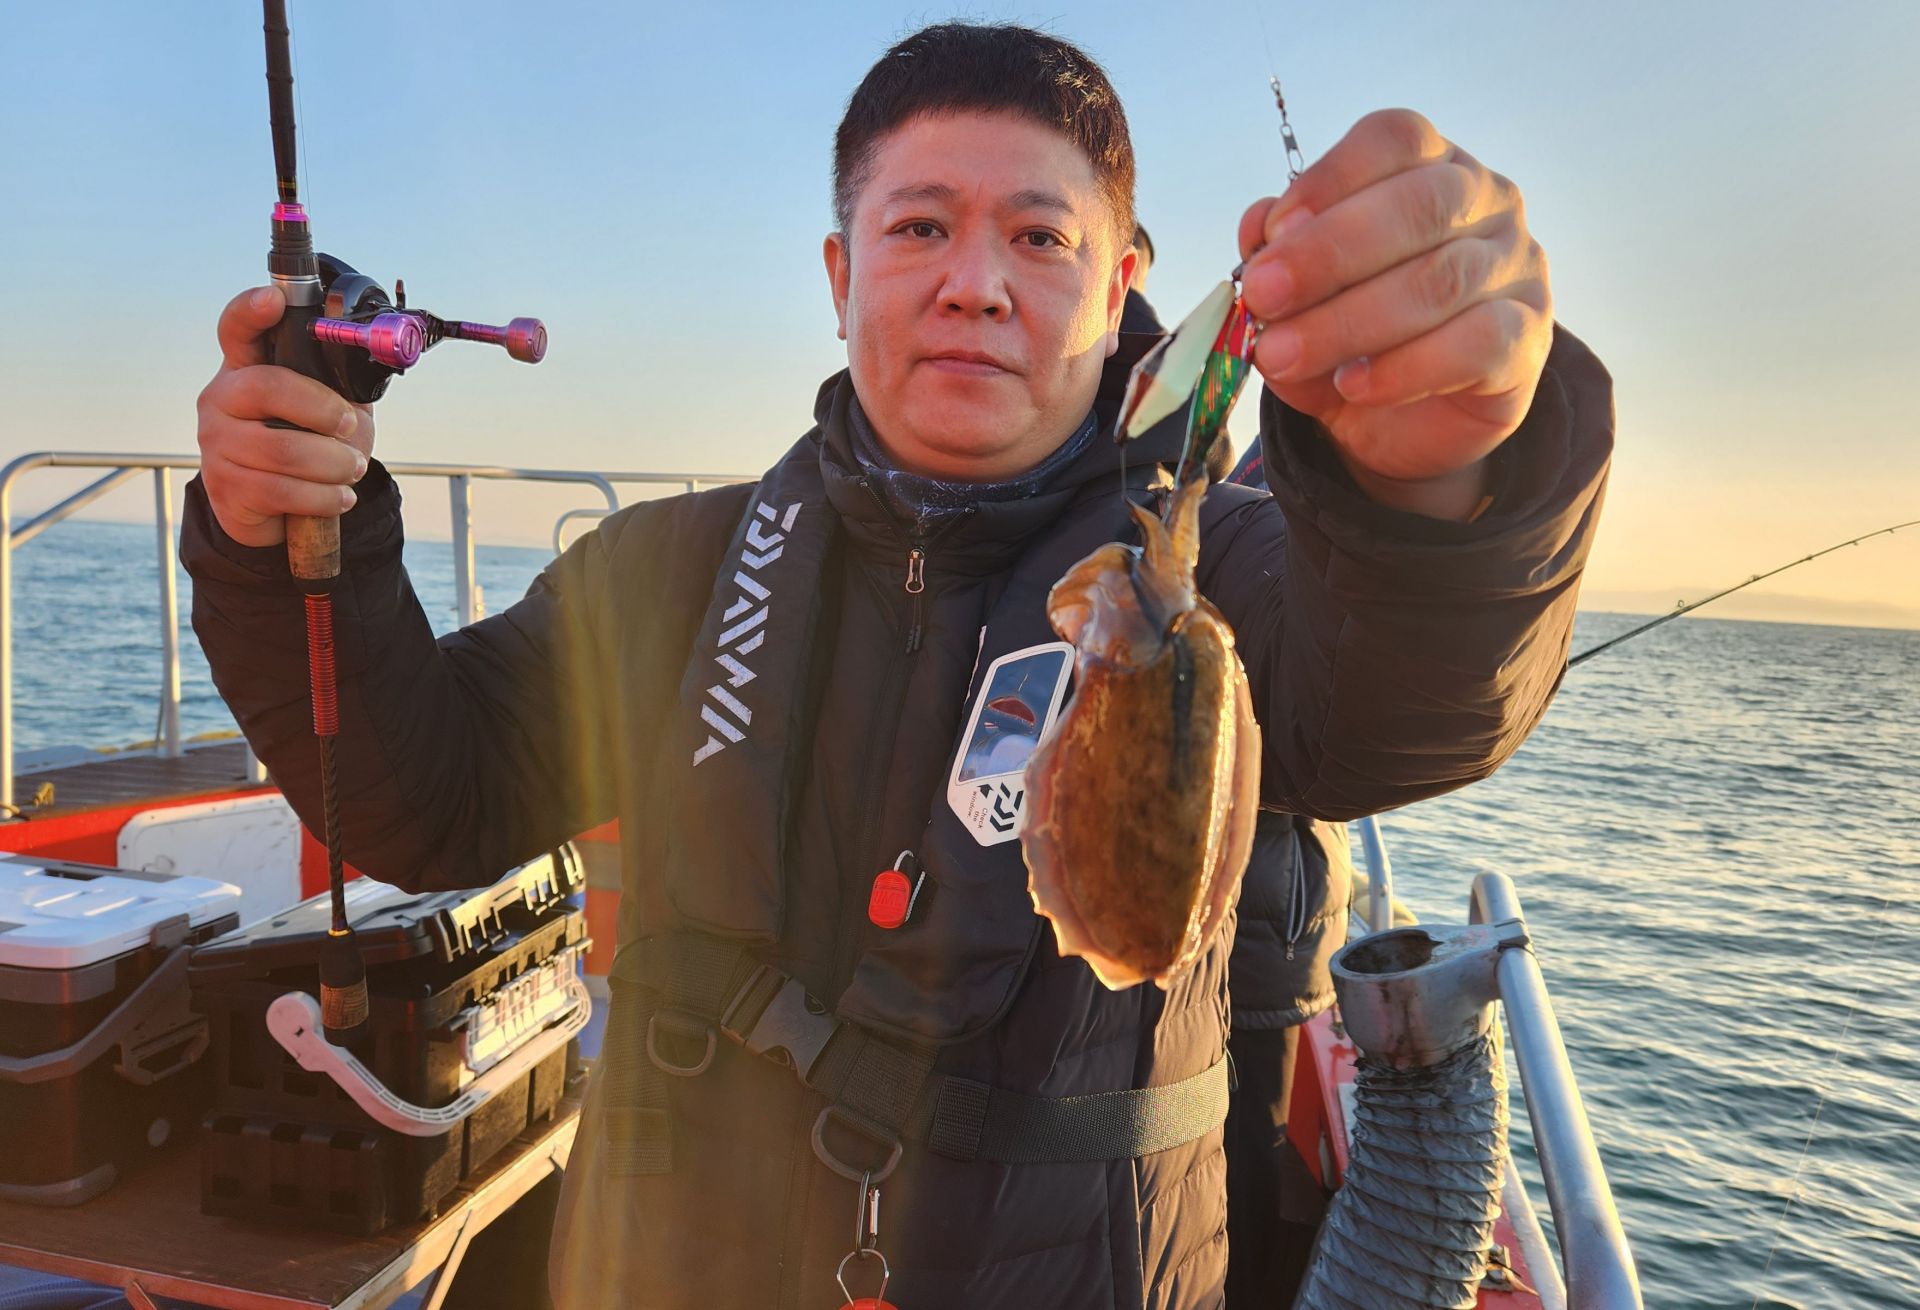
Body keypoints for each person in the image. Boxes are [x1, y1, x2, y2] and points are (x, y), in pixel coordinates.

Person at [185, 22, 1611, 1310]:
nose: (974, 285)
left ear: (1121, 283)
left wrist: (1445, 478)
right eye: (920, 226)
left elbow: (1404, 698)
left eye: (1041, 238)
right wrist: (281, 541)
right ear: (840, 272)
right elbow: (422, 796)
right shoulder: (665, 571)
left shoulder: (1218, 574)